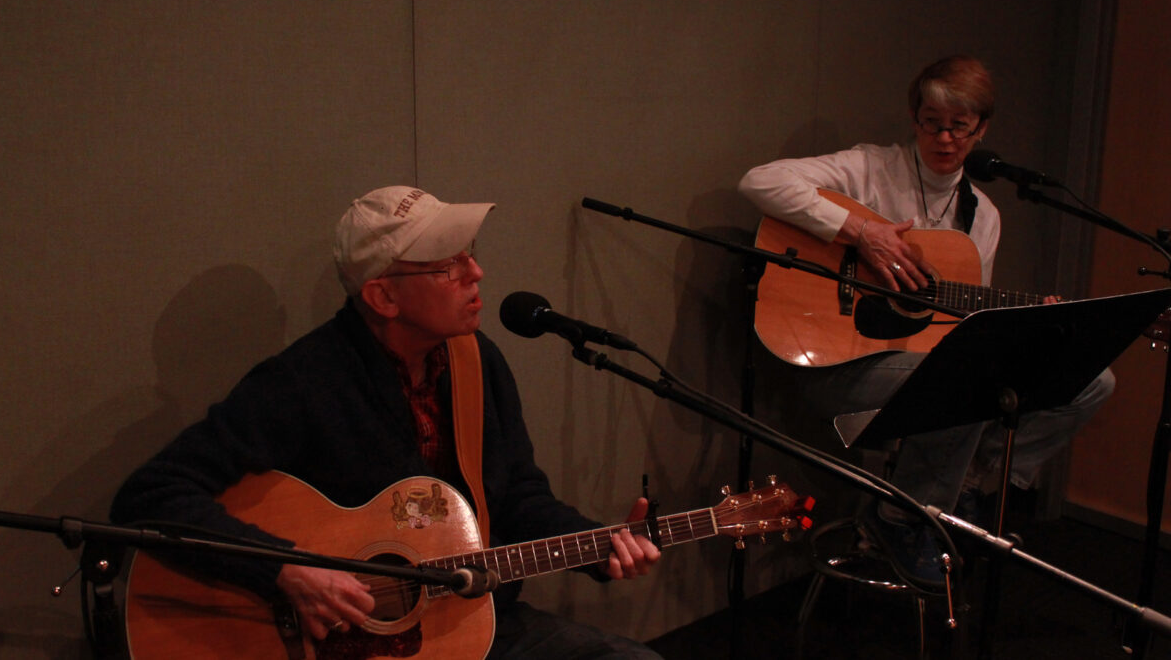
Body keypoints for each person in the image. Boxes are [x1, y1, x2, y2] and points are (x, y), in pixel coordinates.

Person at [111, 185, 662, 658]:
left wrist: (601, 544)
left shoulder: (476, 361)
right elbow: (152, 494)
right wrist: (285, 571)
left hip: (467, 623)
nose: (476, 273)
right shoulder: (303, 381)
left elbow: (516, 494)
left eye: (469, 254)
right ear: (383, 296)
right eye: (448, 265)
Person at [737, 55, 1114, 584]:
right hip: (835, 367)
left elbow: (961, 324)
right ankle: (901, 519)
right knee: (968, 377)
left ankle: (968, 485)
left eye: (959, 126)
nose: (944, 138)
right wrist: (860, 232)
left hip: (915, 368)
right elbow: (760, 181)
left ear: (981, 130)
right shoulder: (870, 169)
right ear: (914, 119)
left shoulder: (982, 216)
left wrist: (1033, 325)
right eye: (932, 123)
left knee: (1092, 380)